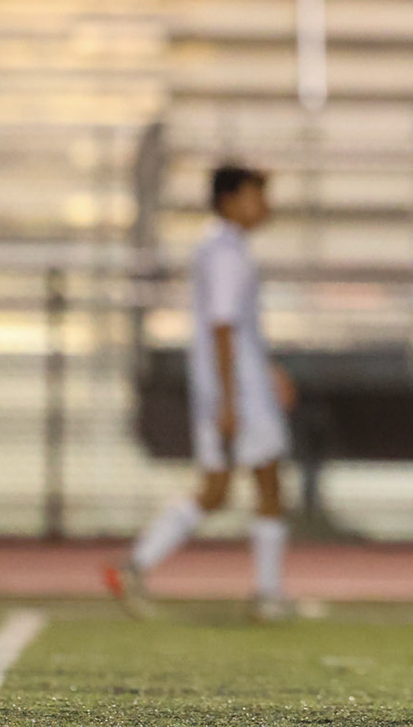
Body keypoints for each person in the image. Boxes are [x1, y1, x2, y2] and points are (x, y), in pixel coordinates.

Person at [104, 162, 295, 621]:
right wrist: (230, 401)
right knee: (262, 484)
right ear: (229, 200)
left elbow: (235, 330)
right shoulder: (226, 251)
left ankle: (134, 566)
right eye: (255, 195)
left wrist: (266, 371)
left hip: (238, 388)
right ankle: (267, 594)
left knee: (218, 489)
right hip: (238, 395)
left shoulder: (219, 247)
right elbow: (223, 327)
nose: (264, 205)